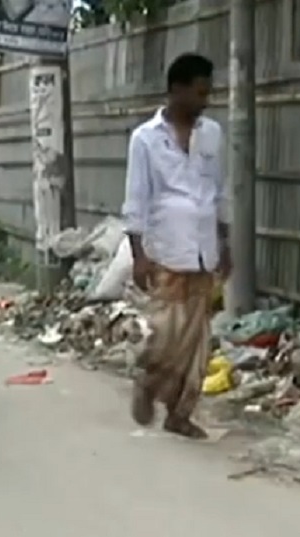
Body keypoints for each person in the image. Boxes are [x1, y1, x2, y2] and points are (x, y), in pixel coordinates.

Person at [121, 53, 230, 440]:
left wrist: (225, 242)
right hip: (167, 249)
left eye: (208, 93)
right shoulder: (145, 140)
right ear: (176, 90)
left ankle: (180, 413)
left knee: (198, 340)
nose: (205, 101)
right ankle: (148, 383)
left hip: (204, 250)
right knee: (167, 334)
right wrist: (138, 255)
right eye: (199, 92)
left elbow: (219, 191)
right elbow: (136, 199)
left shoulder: (212, 134)